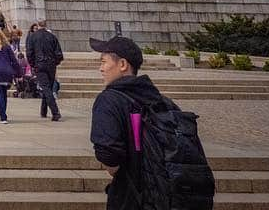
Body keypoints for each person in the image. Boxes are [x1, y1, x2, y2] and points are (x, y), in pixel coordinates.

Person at [89, 35, 214, 210]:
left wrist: (115, 169)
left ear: (123, 64)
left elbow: (107, 152)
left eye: (103, 62)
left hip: (133, 195)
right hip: (168, 194)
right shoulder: (163, 101)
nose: (101, 68)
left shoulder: (109, 100)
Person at [28, 19, 63, 121]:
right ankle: (43, 111)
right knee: (47, 87)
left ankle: (55, 112)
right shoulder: (52, 37)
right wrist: (55, 62)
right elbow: (59, 54)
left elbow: (29, 53)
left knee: (46, 88)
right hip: (51, 65)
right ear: (45, 25)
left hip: (39, 65)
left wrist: (33, 64)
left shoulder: (33, 37)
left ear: (38, 25)